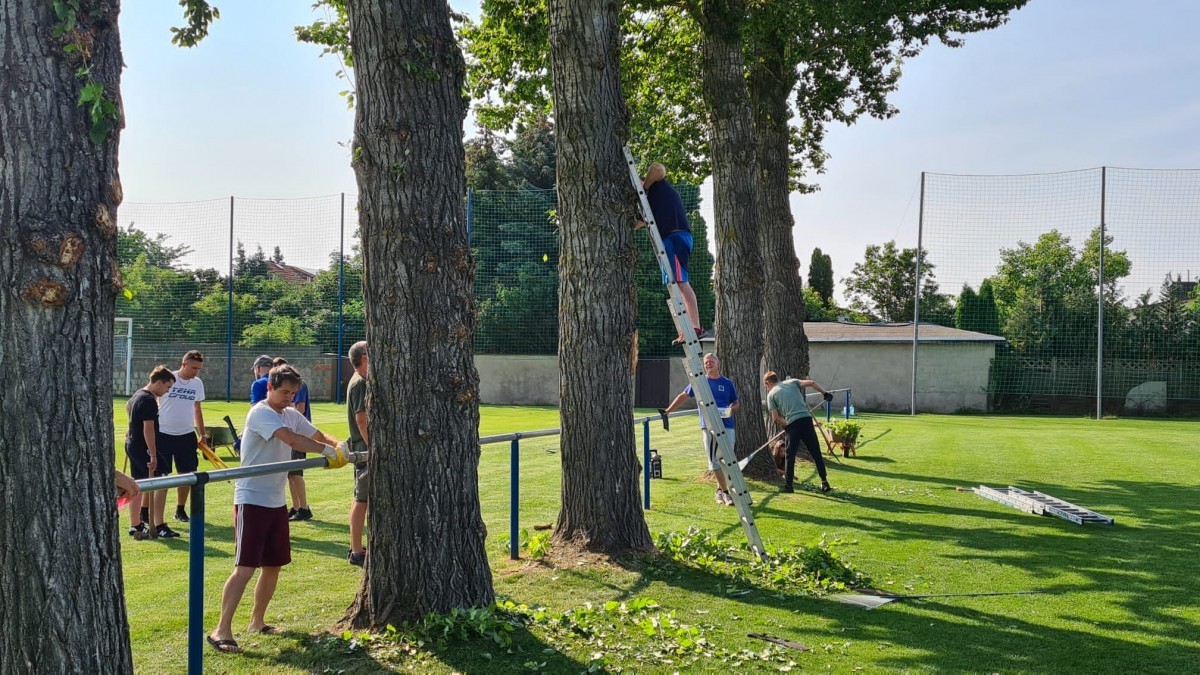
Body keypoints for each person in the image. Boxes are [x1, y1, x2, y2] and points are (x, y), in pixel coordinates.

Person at [208, 364, 348, 654]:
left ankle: (257, 622)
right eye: (284, 392)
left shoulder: (290, 413)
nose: (289, 398)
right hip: (251, 500)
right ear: (269, 387)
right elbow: (292, 440)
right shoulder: (261, 413)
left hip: (276, 501)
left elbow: (317, 434)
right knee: (245, 568)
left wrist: (339, 444)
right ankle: (221, 629)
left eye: (293, 393)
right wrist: (327, 453)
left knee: (273, 566)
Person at [641, 163, 708, 345]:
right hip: (667, 240)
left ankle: (695, 326)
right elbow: (640, 222)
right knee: (674, 285)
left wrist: (645, 187)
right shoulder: (648, 202)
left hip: (676, 235)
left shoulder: (657, 184)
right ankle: (685, 330)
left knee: (681, 281)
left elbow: (658, 168)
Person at [660, 354, 739, 505]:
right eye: (706, 362)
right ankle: (727, 493)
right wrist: (668, 410)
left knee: (727, 459)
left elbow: (735, 403)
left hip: (727, 425)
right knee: (714, 461)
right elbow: (684, 395)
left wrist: (731, 409)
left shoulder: (727, 383)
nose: (709, 364)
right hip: (708, 427)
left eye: (711, 361)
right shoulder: (699, 382)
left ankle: (719, 491)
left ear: (718, 363)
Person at [125, 366, 177, 539]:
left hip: (132, 443)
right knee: (162, 481)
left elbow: (127, 408)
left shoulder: (137, 394)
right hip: (142, 446)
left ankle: (135, 524)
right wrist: (153, 455)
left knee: (136, 485)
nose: (167, 391)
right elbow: (149, 428)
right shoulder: (148, 400)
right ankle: (159, 525)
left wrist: (131, 429)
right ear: (159, 382)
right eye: (167, 387)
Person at [157, 350, 207, 524]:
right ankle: (154, 517)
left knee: (187, 474)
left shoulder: (197, 383)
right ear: (183, 364)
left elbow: (197, 409)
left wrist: (202, 433)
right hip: (163, 433)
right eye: (193, 367)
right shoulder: (169, 378)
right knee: (162, 476)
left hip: (186, 435)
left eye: (199, 369)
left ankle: (180, 509)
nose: (196, 372)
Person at [764, 371, 834, 494]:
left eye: (766, 386)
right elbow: (811, 383)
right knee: (816, 452)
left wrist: (786, 424)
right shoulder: (792, 382)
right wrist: (825, 393)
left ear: (767, 383)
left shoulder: (771, 395)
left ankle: (789, 486)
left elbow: (775, 418)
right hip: (807, 420)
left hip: (793, 423)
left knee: (790, 456)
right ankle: (824, 482)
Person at [271, 357, 313, 522]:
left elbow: (300, 409)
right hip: (290, 432)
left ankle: (304, 507)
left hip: (296, 433)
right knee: (290, 472)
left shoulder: (297, 385)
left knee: (296, 472)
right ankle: (296, 507)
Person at [346, 341, 370, 567]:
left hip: (363, 448)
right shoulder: (360, 383)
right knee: (361, 499)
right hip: (364, 450)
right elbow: (361, 419)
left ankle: (358, 546)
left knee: (363, 499)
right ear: (364, 357)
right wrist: (373, 446)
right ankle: (355, 551)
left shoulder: (360, 381)